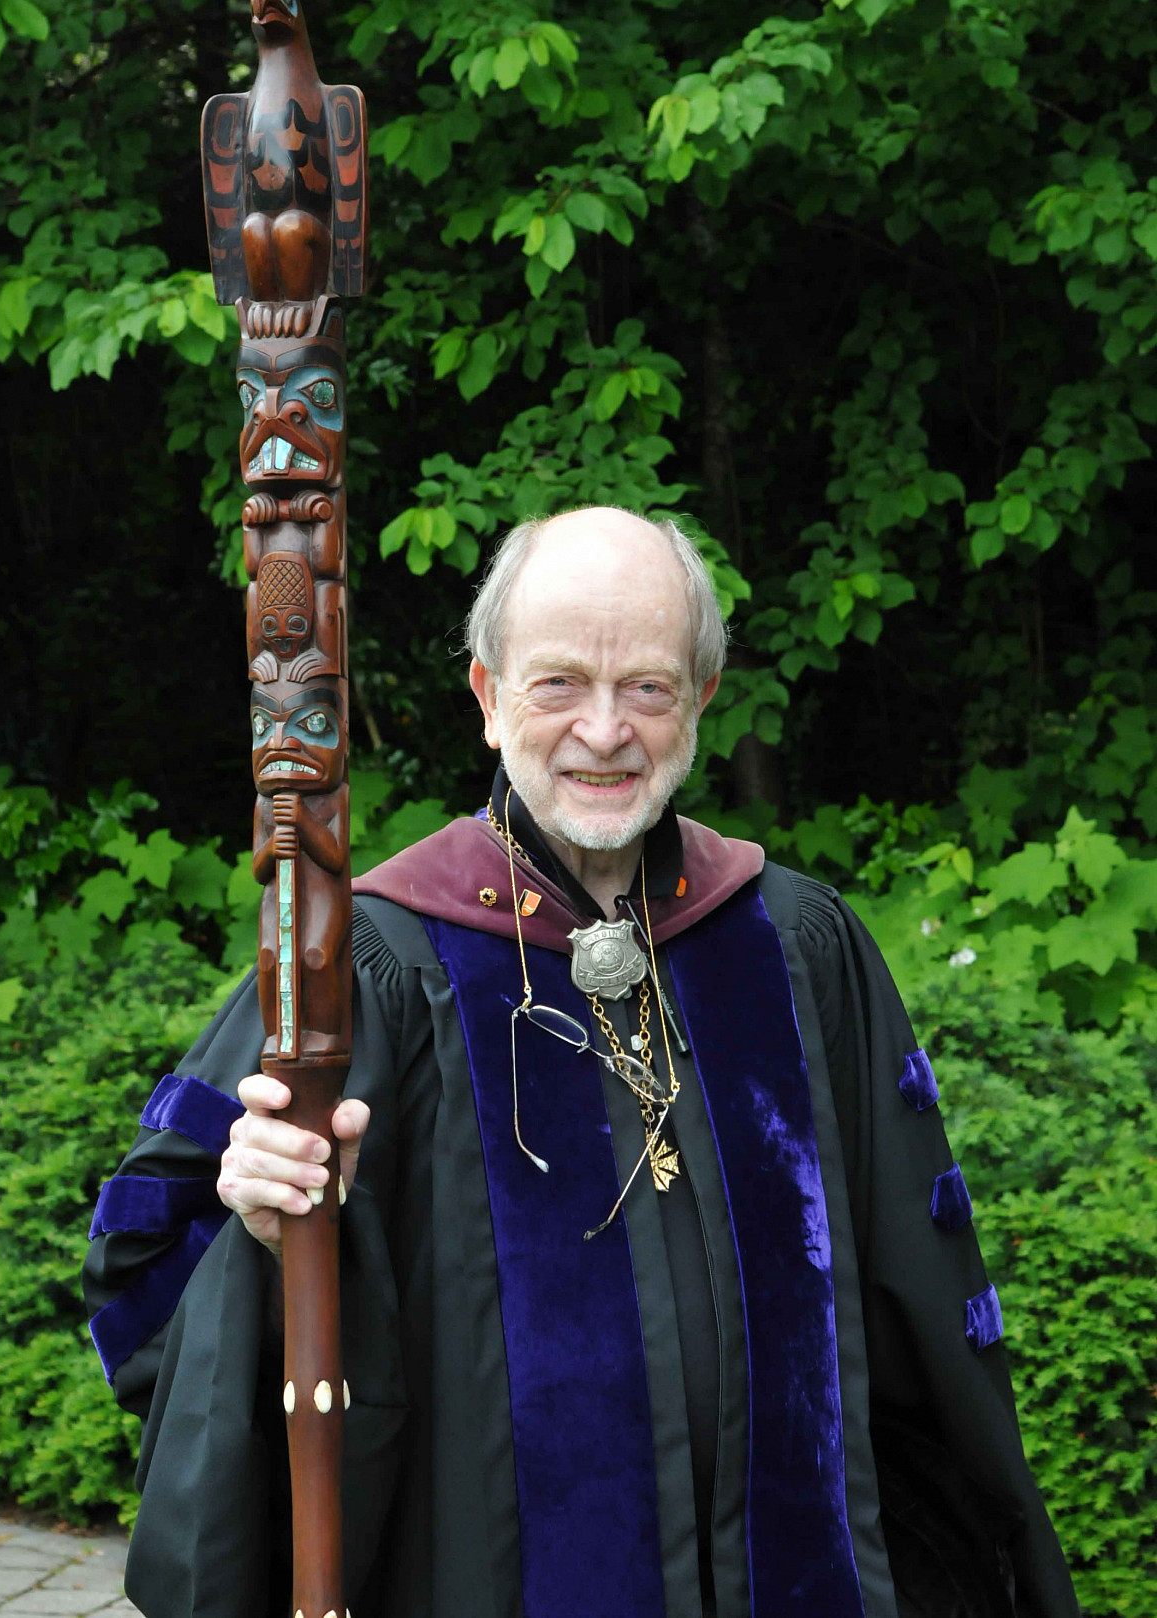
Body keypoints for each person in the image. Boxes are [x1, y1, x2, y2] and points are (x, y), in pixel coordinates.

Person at [84, 507, 1078, 1618]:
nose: (603, 730)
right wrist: (265, 1240)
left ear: (698, 701)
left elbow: (915, 1322)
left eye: (646, 687)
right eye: (557, 683)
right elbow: (150, 1284)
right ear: (486, 697)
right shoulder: (367, 966)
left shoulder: (793, 946)